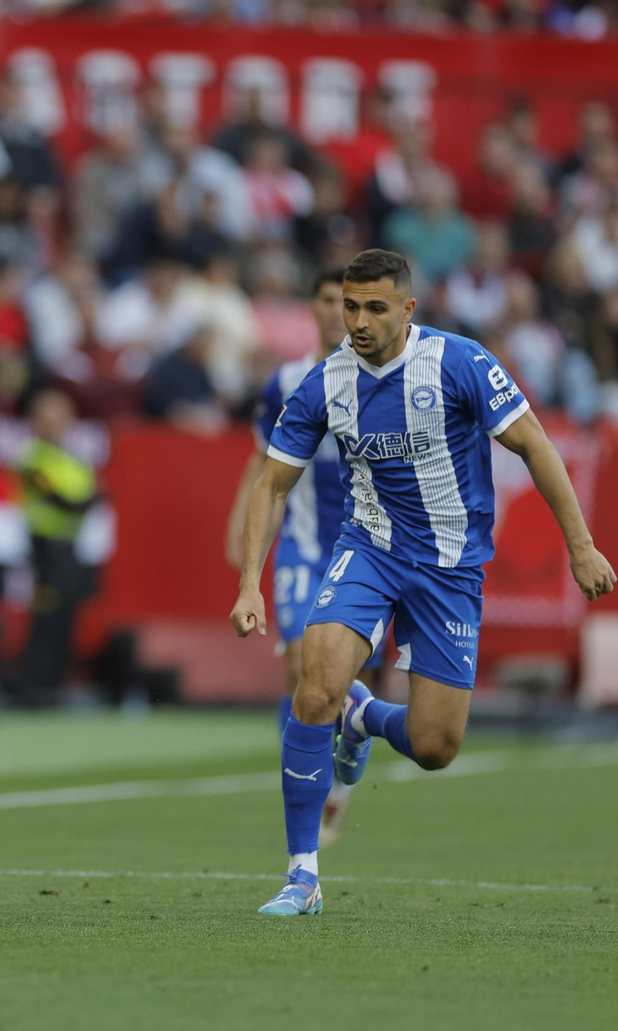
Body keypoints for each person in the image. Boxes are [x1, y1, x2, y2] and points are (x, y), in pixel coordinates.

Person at [230, 250, 616, 917]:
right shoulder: (325, 382)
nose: (358, 320)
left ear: (408, 309)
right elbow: (271, 481)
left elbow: (534, 444)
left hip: (450, 568)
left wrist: (580, 546)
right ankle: (302, 874)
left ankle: (363, 716)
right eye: (350, 306)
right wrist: (247, 584)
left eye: (375, 307)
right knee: (314, 679)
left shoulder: (460, 362)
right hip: (369, 550)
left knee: (437, 746)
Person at [224, 269, 381, 846]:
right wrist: (242, 531)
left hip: (367, 551)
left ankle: (341, 772)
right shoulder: (287, 381)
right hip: (302, 545)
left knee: (343, 678)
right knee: (297, 668)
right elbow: (264, 465)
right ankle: (307, 788)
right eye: (328, 299)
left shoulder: (383, 379)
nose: (335, 310)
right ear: (316, 308)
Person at [13, 389, 99, 705]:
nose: (57, 424)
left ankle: (55, 685)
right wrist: (84, 500)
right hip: (45, 549)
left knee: (66, 618)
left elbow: (86, 496)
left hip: (69, 548)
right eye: (50, 417)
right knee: (45, 620)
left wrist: (84, 500)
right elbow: (67, 500)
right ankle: (33, 688)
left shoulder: (69, 456)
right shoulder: (31, 456)